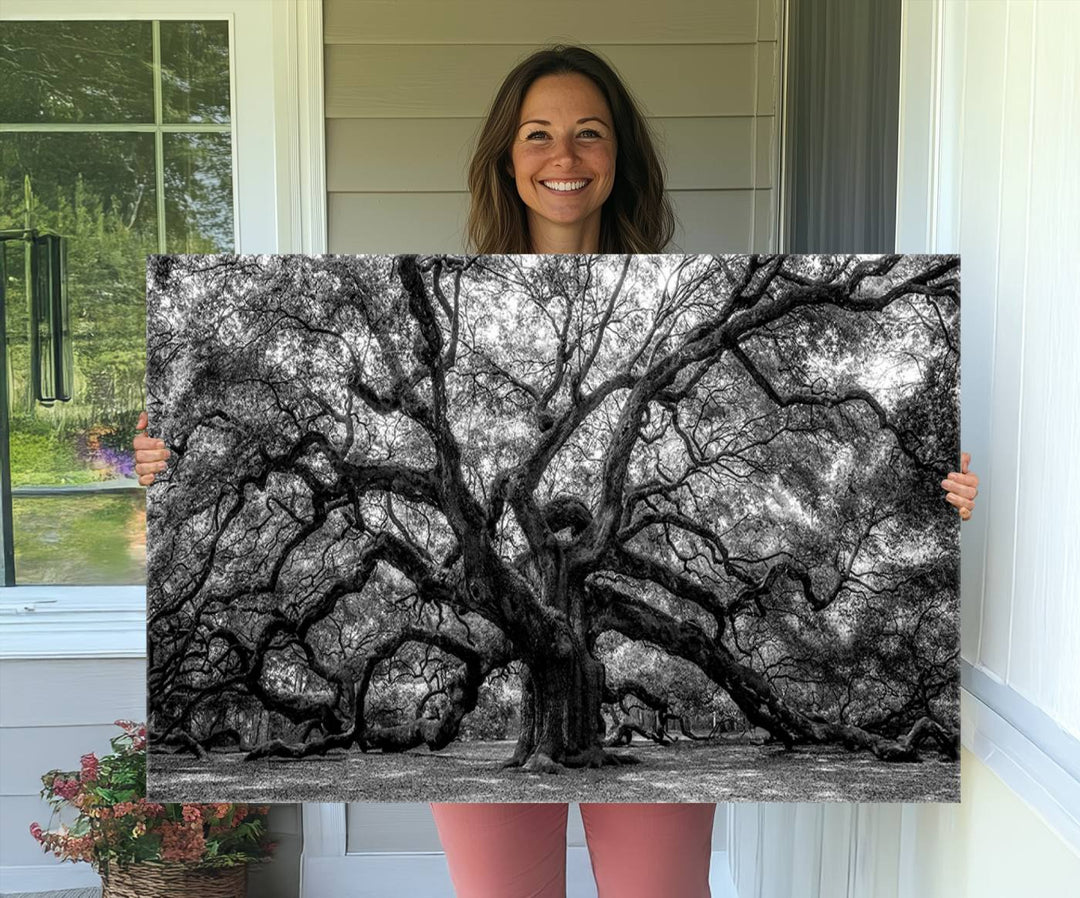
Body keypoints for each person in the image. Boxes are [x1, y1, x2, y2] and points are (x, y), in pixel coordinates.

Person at [133, 44, 980, 898]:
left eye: (589, 134)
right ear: (507, 157)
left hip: (604, 718)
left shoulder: (699, 287)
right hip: (517, 716)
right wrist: (174, 469)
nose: (563, 157)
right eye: (537, 135)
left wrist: (951, 508)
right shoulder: (431, 290)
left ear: (620, 158)